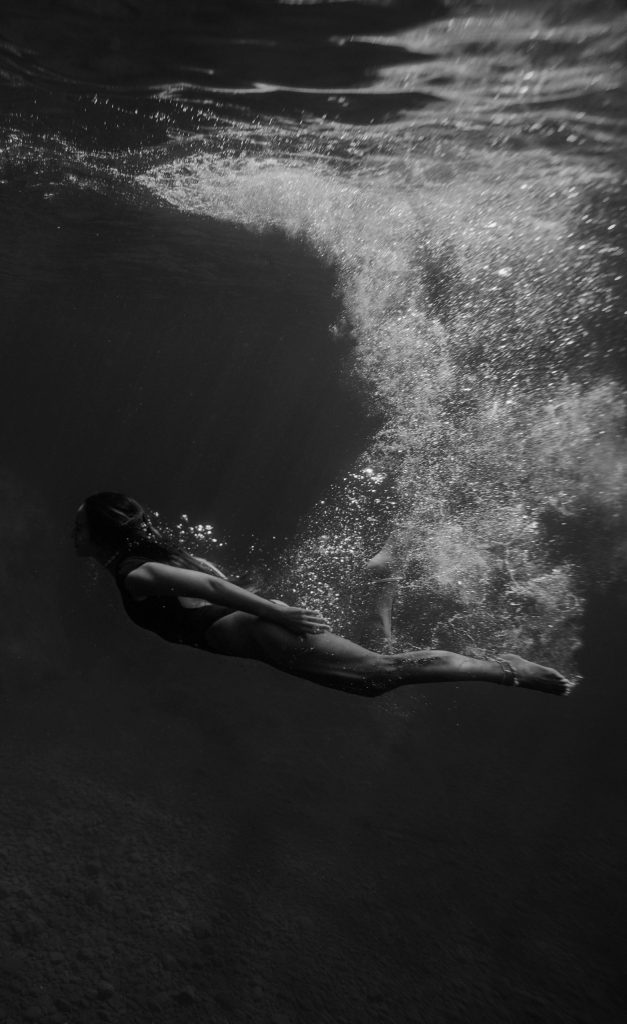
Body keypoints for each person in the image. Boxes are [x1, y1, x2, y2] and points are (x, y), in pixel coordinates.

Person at [72, 493, 576, 698]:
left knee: (379, 673)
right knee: (373, 677)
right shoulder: (153, 562)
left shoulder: (137, 575)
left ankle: (506, 669)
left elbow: (211, 587)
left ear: (99, 533)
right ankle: (384, 571)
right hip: (258, 630)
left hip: (262, 631)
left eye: (79, 525)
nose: (72, 532)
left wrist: (278, 613)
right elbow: (212, 583)